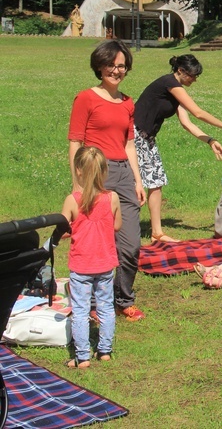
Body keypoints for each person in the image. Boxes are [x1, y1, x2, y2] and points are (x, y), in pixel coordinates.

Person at [68, 39, 146, 322]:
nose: (117, 70)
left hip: (123, 172)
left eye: (122, 66)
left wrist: (138, 181)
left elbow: (128, 145)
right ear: (100, 66)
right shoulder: (85, 98)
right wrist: (78, 185)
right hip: (93, 172)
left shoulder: (127, 103)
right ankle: (88, 303)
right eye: (111, 65)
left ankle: (122, 298)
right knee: (92, 243)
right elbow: (76, 142)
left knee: (130, 243)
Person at [134, 54, 222, 243]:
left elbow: (187, 124)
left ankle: (157, 232)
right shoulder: (169, 83)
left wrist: (210, 141)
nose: (195, 79)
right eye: (192, 75)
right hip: (134, 136)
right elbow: (197, 112)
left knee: (156, 182)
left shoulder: (175, 89)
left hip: (147, 139)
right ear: (180, 71)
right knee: (133, 184)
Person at [61, 146, 121, 368]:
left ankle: (82, 356)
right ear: (104, 170)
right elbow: (117, 225)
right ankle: (104, 351)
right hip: (105, 265)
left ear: (78, 171)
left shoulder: (72, 200)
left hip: (81, 266)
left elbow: (63, 229)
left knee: (80, 310)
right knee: (105, 306)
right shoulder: (112, 198)